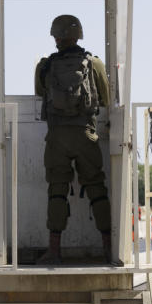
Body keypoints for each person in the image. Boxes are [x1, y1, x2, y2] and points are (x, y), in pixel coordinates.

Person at [34, 14, 113, 264]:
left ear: (55, 37)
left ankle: (54, 251)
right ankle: (108, 248)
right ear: (78, 34)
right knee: (96, 188)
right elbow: (106, 99)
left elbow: (40, 93)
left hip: (57, 136)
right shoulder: (94, 64)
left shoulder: (45, 65)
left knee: (57, 189)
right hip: (85, 134)